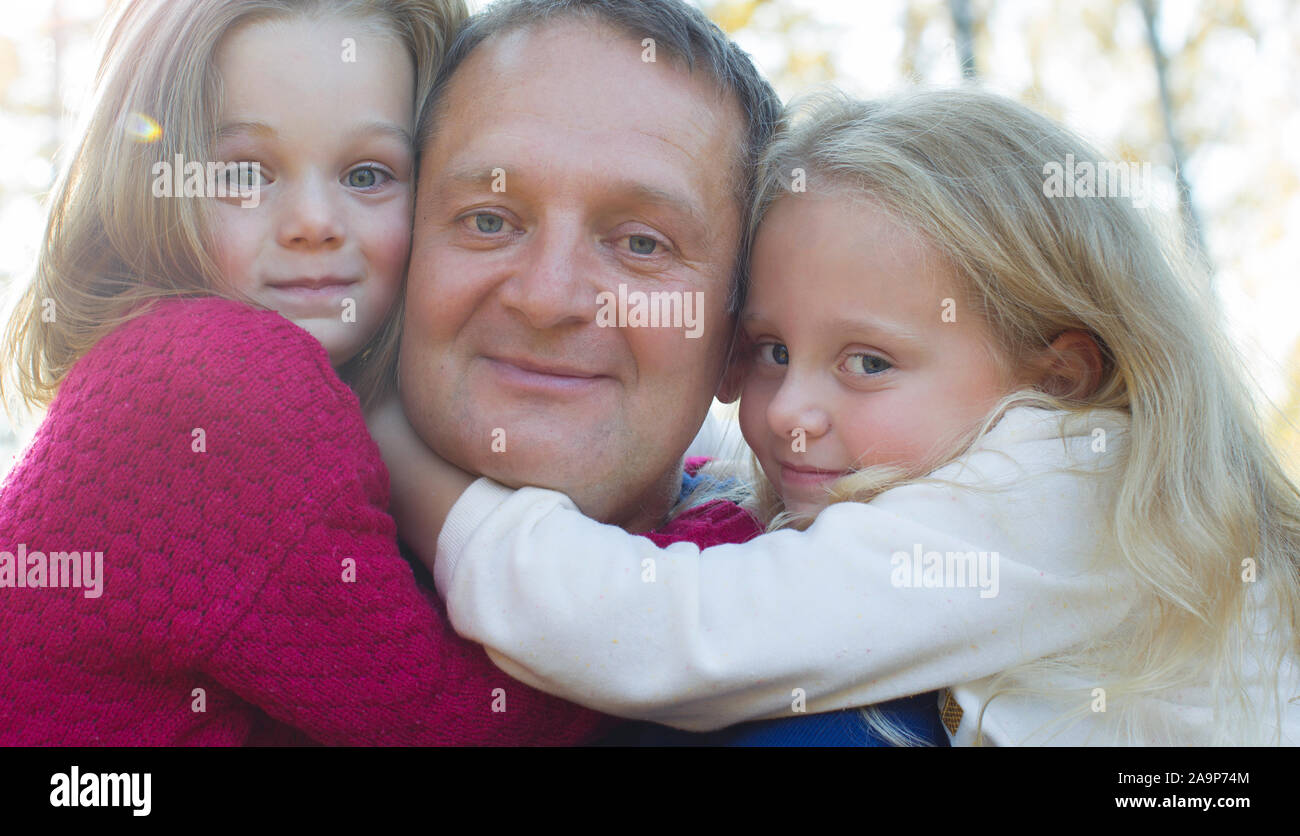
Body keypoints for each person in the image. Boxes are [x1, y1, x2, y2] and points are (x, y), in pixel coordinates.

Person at [0, 0, 750, 746]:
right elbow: (442, 720)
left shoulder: (256, 388)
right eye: (244, 174)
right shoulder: (216, 381)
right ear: (150, 188)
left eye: (367, 174)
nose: (316, 223)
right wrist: (710, 553)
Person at [394, 87, 1300, 745]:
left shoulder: (1076, 478)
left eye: (868, 363)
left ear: (1059, 376)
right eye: (770, 351)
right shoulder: (955, 458)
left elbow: (675, 634)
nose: (791, 411)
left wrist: (402, 452)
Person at [376, 0, 946, 745]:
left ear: (738, 346)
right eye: (488, 219)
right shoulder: (211, 549)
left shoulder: (867, 669)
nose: (549, 297)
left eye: (642, 243)